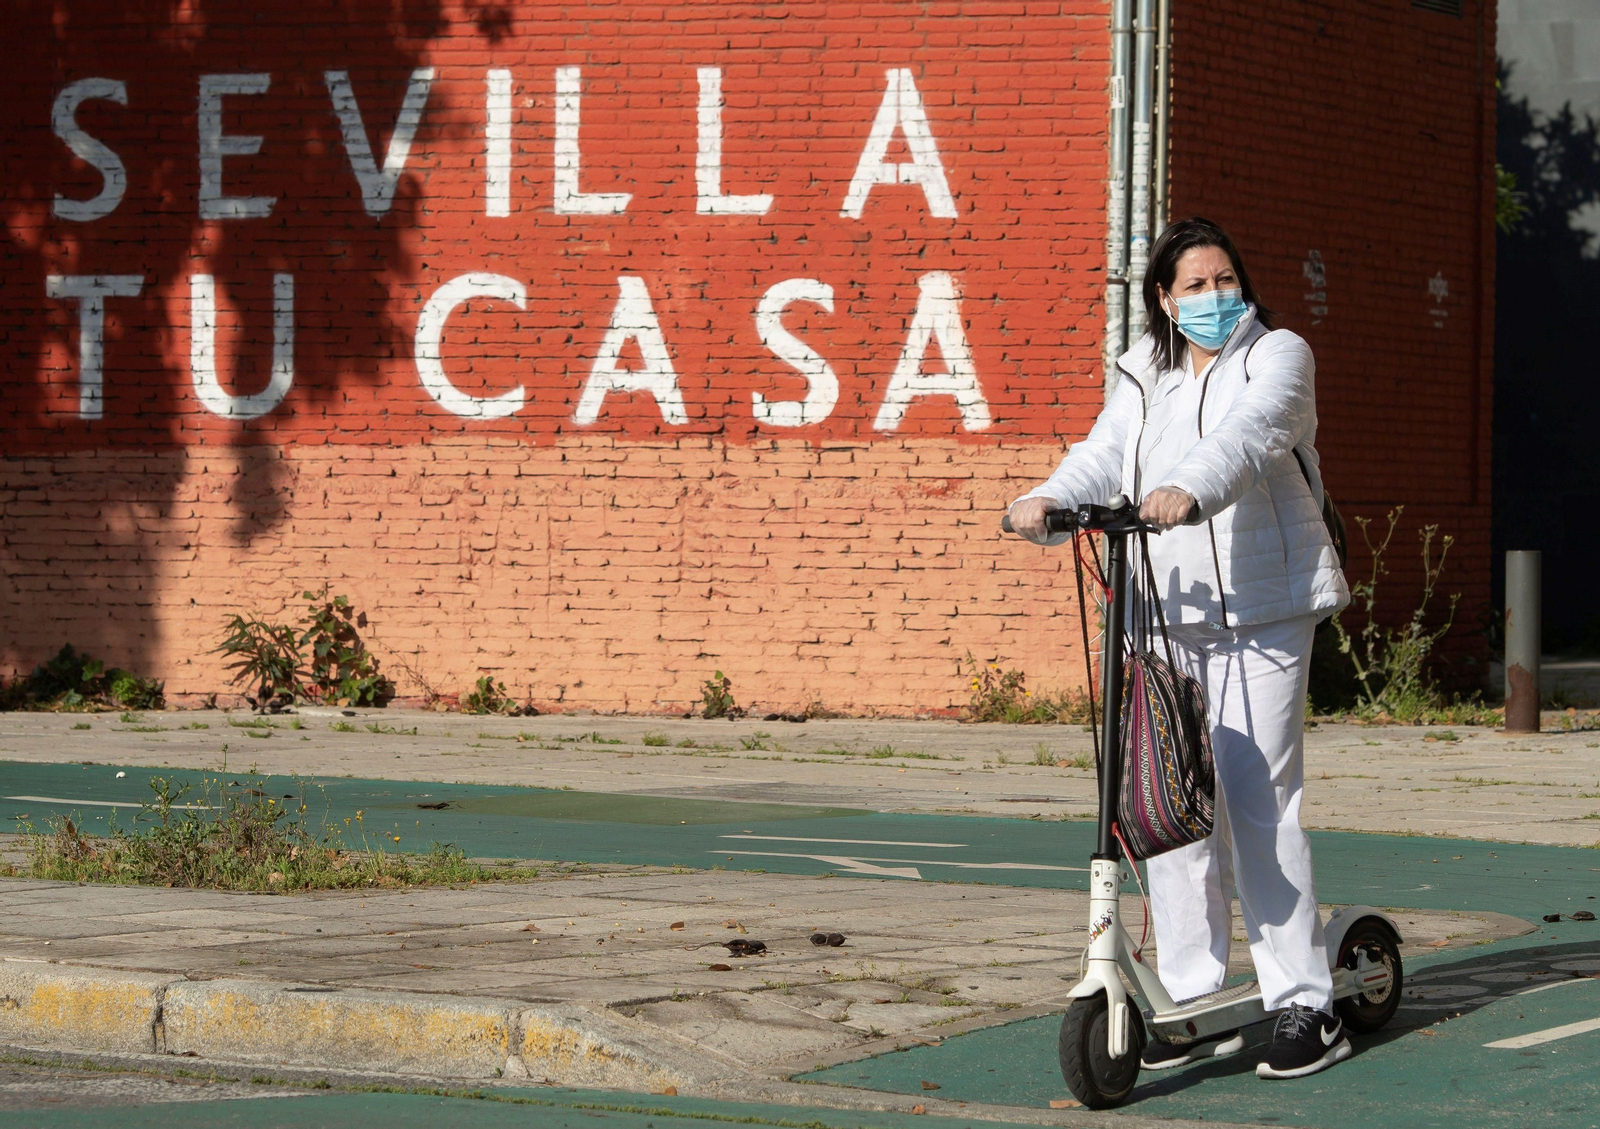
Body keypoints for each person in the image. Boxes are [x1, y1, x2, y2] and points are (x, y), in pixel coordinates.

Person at [1008, 217, 1351, 1081]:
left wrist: (1188, 488)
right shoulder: (1145, 372)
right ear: (1163, 298)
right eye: (1194, 285)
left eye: (1224, 279)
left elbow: (1250, 436)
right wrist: (1048, 499)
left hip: (1263, 611)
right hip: (1165, 611)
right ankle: (1192, 994)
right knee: (1171, 800)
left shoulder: (1276, 355)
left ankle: (1305, 1001)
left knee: (1259, 801)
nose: (1213, 297)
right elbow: (1103, 453)